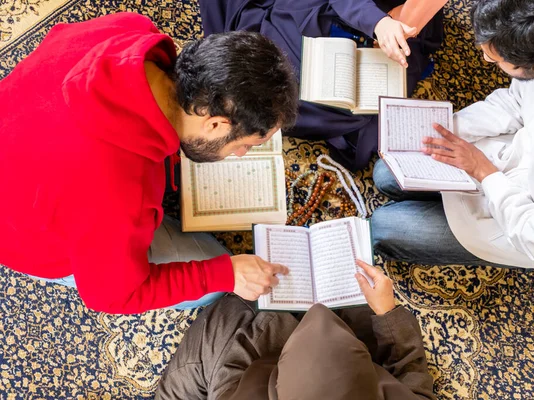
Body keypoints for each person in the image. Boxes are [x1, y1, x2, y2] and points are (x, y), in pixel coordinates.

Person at [0, 13, 299, 314]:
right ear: (216, 125)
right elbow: (112, 297)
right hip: (22, 233)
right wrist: (227, 274)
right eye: (244, 144)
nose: (241, 154)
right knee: (210, 280)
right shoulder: (120, 194)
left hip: (20, 136)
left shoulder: (133, 30)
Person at [371, 0, 534, 268]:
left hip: (527, 224)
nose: (485, 59)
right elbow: (517, 102)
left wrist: (485, 172)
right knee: (385, 172)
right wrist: (447, 127)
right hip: (511, 160)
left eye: (493, 58)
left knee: (384, 226)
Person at [199, 0, 448, 170]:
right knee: (278, 71)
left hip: (397, 16)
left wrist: (392, 24)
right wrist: (375, 22)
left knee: (333, 100)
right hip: (336, 8)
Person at [154, 261, 436, 400]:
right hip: (344, 355)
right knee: (366, 312)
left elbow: (180, 382)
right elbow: (411, 372)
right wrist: (387, 312)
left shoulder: (225, 374)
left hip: (253, 354)